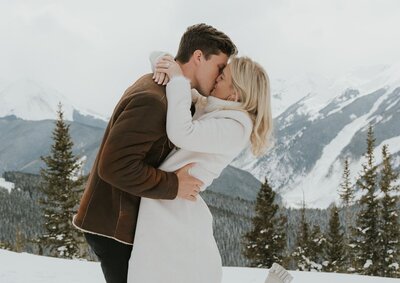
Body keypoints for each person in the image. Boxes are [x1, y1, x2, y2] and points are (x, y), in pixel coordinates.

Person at [72, 23, 237, 283]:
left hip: (122, 221)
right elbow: (114, 166)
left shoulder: (170, 89)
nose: (220, 76)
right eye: (219, 67)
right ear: (198, 57)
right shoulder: (154, 98)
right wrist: (175, 185)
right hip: (115, 226)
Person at [127, 52, 276, 283]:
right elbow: (156, 54)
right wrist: (166, 64)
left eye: (222, 77)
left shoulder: (235, 127)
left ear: (235, 92)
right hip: (170, 205)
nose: (216, 78)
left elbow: (181, 133)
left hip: (176, 212)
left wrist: (178, 81)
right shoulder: (219, 111)